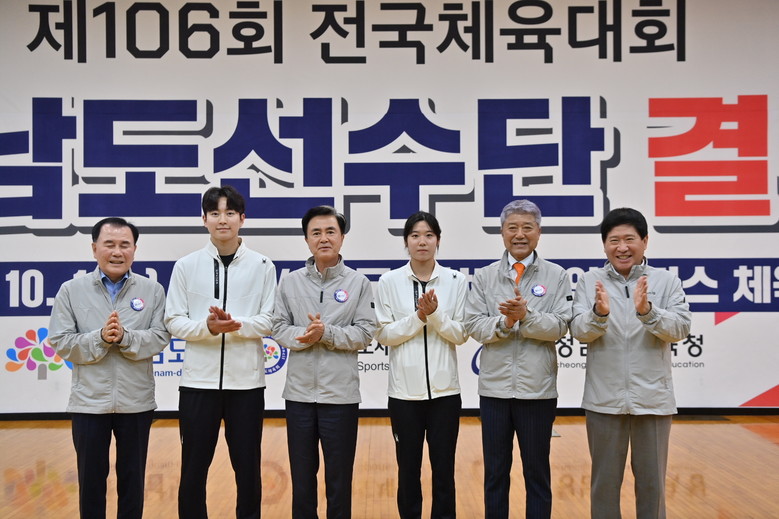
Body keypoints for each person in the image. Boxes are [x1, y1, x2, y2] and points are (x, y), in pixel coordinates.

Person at [569, 207, 691, 519]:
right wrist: (599, 314)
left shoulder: (666, 281)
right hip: (603, 400)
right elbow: (579, 331)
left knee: (652, 485)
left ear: (645, 241)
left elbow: (680, 329)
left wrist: (647, 311)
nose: (622, 247)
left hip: (653, 400)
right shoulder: (589, 281)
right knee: (604, 486)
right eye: (614, 240)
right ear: (604, 245)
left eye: (629, 239)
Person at [165, 185, 276, 519]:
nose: (222, 220)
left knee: (248, 468)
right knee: (193, 468)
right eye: (214, 213)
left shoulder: (263, 265)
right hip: (198, 384)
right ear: (204, 219)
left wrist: (235, 324)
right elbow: (173, 320)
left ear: (243, 218)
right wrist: (209, 328)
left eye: (229, 213)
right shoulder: (185, 265)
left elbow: (269, 320)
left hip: (247, 385)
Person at [49, 217, 170, 519]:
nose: (117, 252)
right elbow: (61, 341)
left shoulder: (152, 290)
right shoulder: (71, 290)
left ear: (134, 249)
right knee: (90, 482)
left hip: (136, 402)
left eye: (124, 245)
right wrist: (100, 338)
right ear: (94, 249)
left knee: (133, 481)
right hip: (89, 403)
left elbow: (160, 337)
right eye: (109, 244)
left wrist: (126, 337)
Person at [464, 199, 572, 519]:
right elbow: (473, 325)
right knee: (495, 473)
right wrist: (505, 322)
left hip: (537, 392)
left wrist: (527, 316)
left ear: (539, 232)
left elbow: (560, 327)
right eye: (512, 228)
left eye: (527, 227)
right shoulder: (485, 277)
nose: (520, 234)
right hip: (494, 392)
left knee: (537, 473)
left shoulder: (557, 275)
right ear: (502, 232)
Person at [272, 205, 377, 519]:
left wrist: (326, 333)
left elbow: (365, 333)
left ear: (342, 237)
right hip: (299, 397)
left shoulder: (358, 283)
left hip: (340, 397)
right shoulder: (290, 282)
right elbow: (277, 327)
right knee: (302, 480)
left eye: (331, 231)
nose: (324, 238)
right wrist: (306, 335)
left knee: (339, 480)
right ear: (306, 239)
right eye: (316, 232)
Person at [375, 211, 469, 519]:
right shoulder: (389, 281)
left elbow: (460, 334)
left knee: (444, 471)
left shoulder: (456, 280)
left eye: (429, 235)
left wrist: (435, 315)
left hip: (445, 394)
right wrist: (418, 317)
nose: (422, 241)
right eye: (415, 236)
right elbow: (384, 334)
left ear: (438, 240)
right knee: (408, 471)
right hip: (404, 396)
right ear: (406, 242)